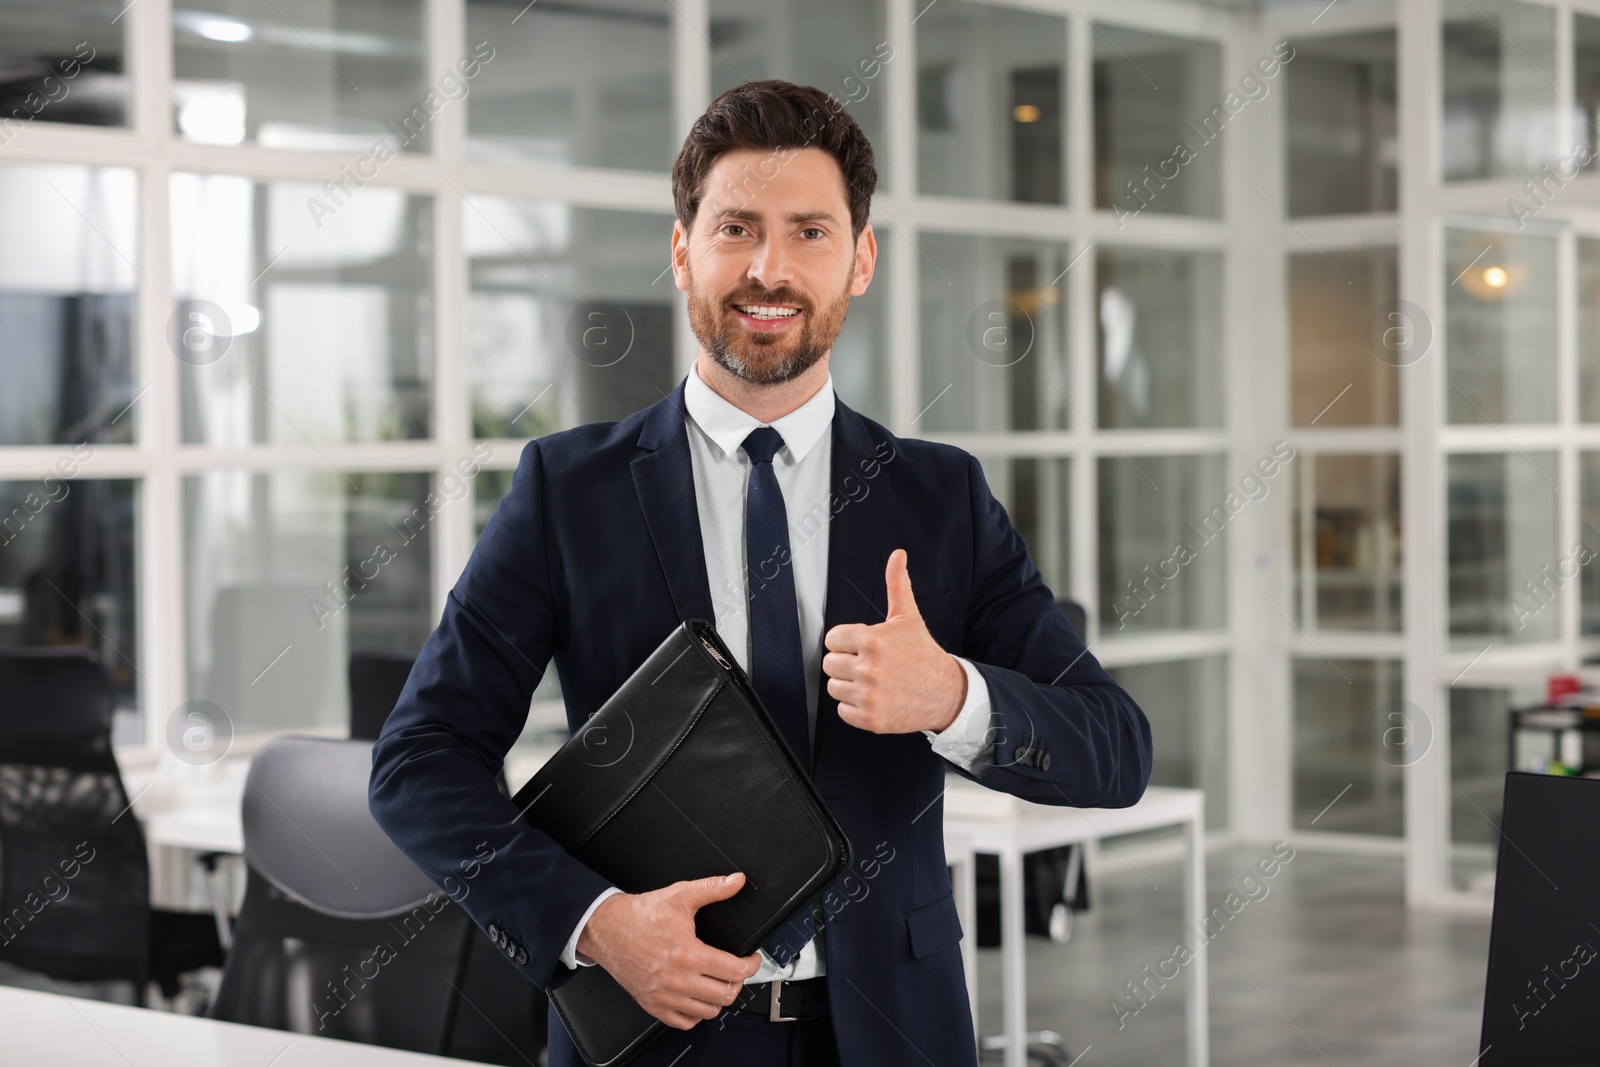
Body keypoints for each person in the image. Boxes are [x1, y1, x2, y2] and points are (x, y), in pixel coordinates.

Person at [369, 78, 1152, 1067]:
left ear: (860, 260)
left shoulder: (939, 497)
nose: (769, 268)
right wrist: (594, 920)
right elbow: (418, 761)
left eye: (810, 232)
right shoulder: (568, 490)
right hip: (651, 1035)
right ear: (681, 251)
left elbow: (1117, 750)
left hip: (892, 1031)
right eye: (735, 228)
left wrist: (952, 695)